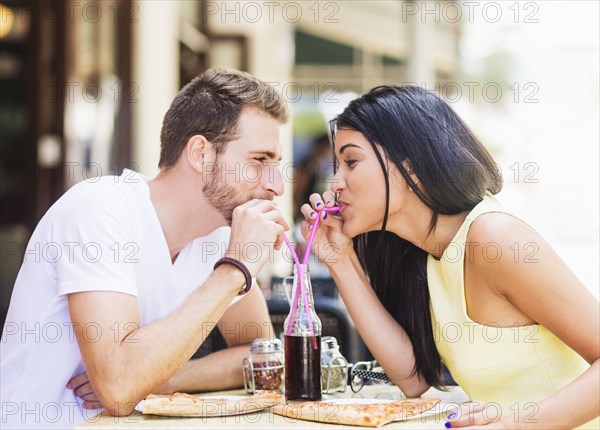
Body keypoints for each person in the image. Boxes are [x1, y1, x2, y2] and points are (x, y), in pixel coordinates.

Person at [0, 68, 290, 428]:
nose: (276, 185)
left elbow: (264, 358)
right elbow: (120, 389)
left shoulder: (219, 238)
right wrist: (234, 270)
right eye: (259, 162)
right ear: (201, 154)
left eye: (275, 165)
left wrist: (167, 377)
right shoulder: (101, 209)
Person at [300, 86, 599, 429]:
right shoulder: (428, 253)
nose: (335, 182)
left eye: (351, 162)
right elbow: (412, 378)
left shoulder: (494, 239)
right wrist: (339, 259)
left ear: (410, 165)